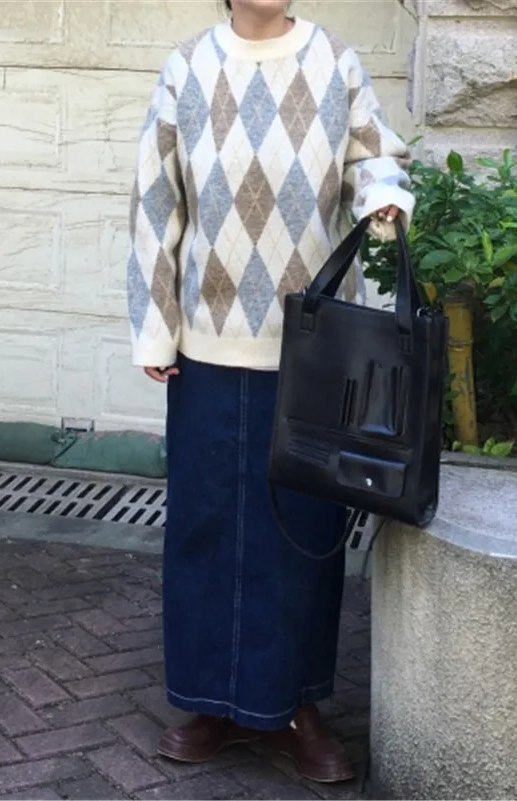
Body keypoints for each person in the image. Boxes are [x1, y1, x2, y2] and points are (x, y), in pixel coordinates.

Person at [126, 0, 414, 784]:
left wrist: (382, 195)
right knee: (207, 525)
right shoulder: (187, 68)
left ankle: (295, 707)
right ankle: (209, 702)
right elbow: (156, 203)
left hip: (315, 348)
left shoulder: (335, 63)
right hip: (208, 342)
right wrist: (156, 327)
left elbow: (373, 155)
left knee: (301, 532)